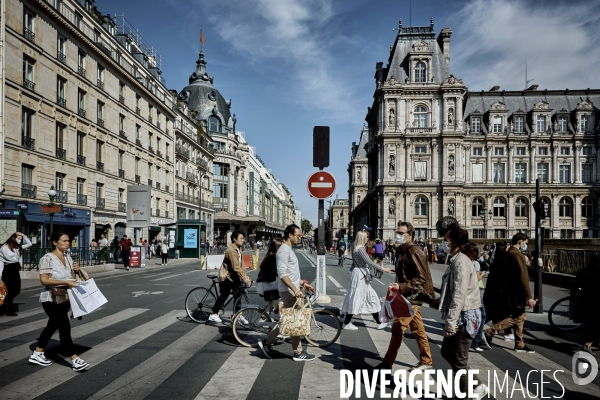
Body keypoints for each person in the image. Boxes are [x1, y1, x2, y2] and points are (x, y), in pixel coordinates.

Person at [431, 223, 489, 399]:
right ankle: (476, 386)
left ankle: (464, 394)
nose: (442, 242)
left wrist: (451, 322)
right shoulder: (456, 260)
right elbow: (453, 290)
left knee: (458, 361)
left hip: (466, 316)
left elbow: (459, 294)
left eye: (446, 239)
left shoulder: (461, 262)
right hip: (462, 314)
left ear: (454, 242)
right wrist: (437, 301)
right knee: (447, 353)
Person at [378, 221, 435, 371]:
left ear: (410, 235)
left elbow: (421, 278)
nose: (397, 235)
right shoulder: (402, 250)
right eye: (397, 232)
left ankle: (386, 364)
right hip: (408, 295)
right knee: (418, 328)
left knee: (398, 328)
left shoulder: (414, 251)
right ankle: (426, 360)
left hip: (414, 296)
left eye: (401, 233)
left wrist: (401, 286)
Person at [29, 231, 89, 372]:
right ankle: (75, 359)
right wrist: (65, 281)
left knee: (52, 326)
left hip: (65, 297)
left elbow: (71, 275)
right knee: (64, 328)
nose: (67, 243)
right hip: (51, 298)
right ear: (55, 242)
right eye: (64, 240)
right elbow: (44, 280)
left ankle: (37, 353)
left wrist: (77, 269)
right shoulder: (48, 258)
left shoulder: (67, 257)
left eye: (68, 240)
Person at [258, 224, 316, 361]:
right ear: (289, 235)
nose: (299, 238)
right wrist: (295, 289)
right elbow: (282, 273)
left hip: (292, 290)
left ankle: (267, 342)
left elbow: (291, 274)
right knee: (294, 321)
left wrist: (302, 284)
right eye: (297, 235)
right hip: (289, 292)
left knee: (288, 320)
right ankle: (298, 353)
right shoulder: (284, 251)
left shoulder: (288, 250)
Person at [483, 233, 536, 353]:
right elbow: (523, 277)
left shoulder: (506, 254)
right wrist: (529, 297)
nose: (525, 245)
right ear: (520, 242)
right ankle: (489, 332)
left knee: (519, 316)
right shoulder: (518, 255)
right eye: (525, 243)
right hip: (517, 293)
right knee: (519, 318)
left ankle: (519, 343)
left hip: (507, 291)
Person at [341, 230, 391, 330]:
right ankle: (346, 322)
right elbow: (369, 262)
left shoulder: (355, 246)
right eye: (366, 237)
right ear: (362, 238)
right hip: (360, 275)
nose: (367, 239)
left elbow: (355, 263)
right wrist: (383, 268)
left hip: (357, 273)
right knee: (362, 296)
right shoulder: (360, 249)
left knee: (363, 296)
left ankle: (346, 319)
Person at [209, 231, 251, 323]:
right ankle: (214, 313)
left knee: (238, 295)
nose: (243, 240)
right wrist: (245, 278)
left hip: (234, 277)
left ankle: (237, 315)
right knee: (224, 295)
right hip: (227, 277)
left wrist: (245, 276)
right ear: (234, 239)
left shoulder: (238, 249)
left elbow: (241, 264)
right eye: (241, 238)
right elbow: (235, 267)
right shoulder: (231, 250)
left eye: (243, 238)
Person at [0, 232, 32, 316]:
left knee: (17, 290)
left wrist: (24, 236)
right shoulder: (5, 247)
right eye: (18, 238)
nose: (19, 240)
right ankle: (9, 309)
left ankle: (5, 305)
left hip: (15, 269)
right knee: (11, 290)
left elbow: (29, 244)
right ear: (13, 238)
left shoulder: (17, 247)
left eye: (20, 239)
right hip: (8, 269)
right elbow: (7, 259)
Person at [257, 239, 283, 320]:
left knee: (281, 291)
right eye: (281, 248)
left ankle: (274, 312)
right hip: (265, 286)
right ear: (276, 248)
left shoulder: (270, 256)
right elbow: (279, 273)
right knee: (287, 292)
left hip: (264, 285)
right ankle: (275, 312)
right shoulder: (272, 257)